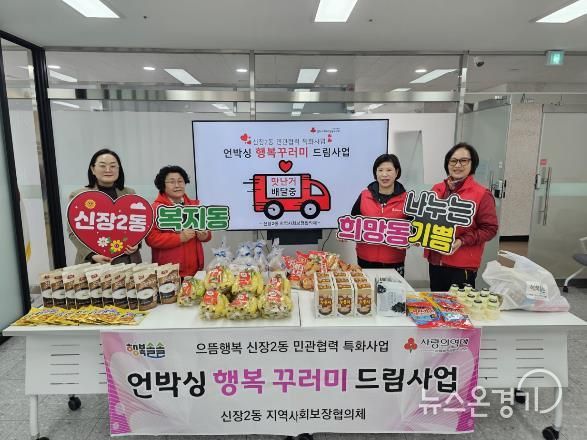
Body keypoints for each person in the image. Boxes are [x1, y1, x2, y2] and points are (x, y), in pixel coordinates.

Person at [426, 142, 498, 291]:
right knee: (437, 301)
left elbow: (490, 228)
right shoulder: (437, 189)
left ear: (472, 163)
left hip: (462, 265)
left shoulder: (482, 194)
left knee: (460, 305)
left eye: (463, 161)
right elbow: (427, 219)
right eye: (453, 161)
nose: (457, 165)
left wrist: (462, 240)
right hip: (436, 261)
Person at [69, 149, 142, 265]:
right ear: (93, 169)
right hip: (94, 262)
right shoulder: (79, 196)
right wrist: (92, 255)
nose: (108, 170)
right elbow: (73, 232)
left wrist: (137, 243)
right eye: (102, 166)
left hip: (127, 260)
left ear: (119, 169)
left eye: (113, 166)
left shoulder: (130, 193)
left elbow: (138, 225)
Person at [146, 165, 211, 277]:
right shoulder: (155, 209)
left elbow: (208, 234)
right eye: (172, 182)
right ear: (163, 185)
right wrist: (180, 238)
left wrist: (204, 235)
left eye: (180, 181)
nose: (177, 185)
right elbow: (151, 239)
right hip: (168, 273)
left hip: (195, 270)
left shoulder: (194, 206)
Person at [351, 153, 408, 277]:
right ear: (375, 173)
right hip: (365, 258)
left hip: (394, 260)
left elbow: (415, 228)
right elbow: (353, 221)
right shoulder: (364, 195)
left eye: (389, 170)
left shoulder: (407, 199)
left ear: (397, 172)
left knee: (394, 290)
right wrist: (345, 232)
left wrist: (407, 240)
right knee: (367, 289)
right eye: (380, 170)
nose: (384, 174)